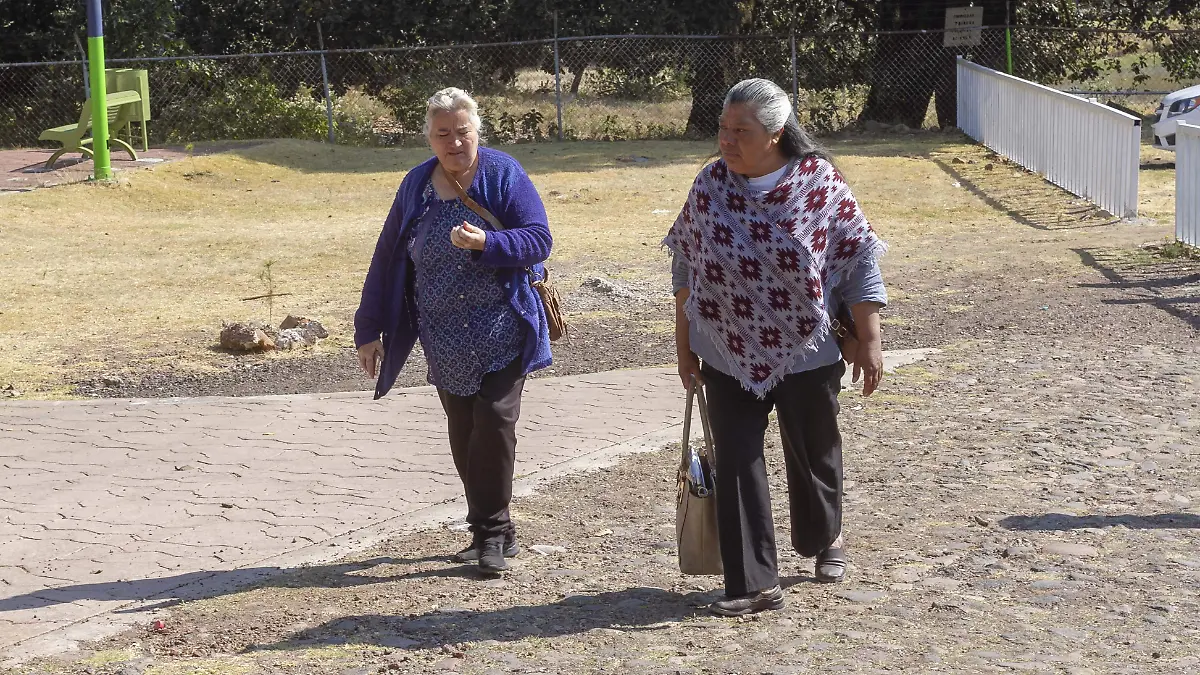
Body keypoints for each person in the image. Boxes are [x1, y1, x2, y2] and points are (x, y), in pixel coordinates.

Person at [664, 78, 888, 616]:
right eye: (723, 128)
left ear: (776, 134)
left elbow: (857, 261)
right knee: (737, 459)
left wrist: (870, 337)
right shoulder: (710, 185)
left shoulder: (818, 185)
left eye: (741, 131)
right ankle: (751, 583)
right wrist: (684, 342)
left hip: (808, 350)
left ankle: (823, 536)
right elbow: (685, 264)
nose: (727, 140)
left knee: (812, 452)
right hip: (723, 347)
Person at [354, 87, 554, 575]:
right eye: (443, 134)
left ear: (476, 132)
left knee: (494, 424)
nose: (454, 142)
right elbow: (388, 256)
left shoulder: (502, 173)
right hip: (442, 333)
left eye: (462, 132)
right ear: (430, 138)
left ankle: (489, 532)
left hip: (501, 325)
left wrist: (489, 240)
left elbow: (539, 238)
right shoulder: (417, 186)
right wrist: (369, 327)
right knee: (464, 431)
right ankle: (495, 528)